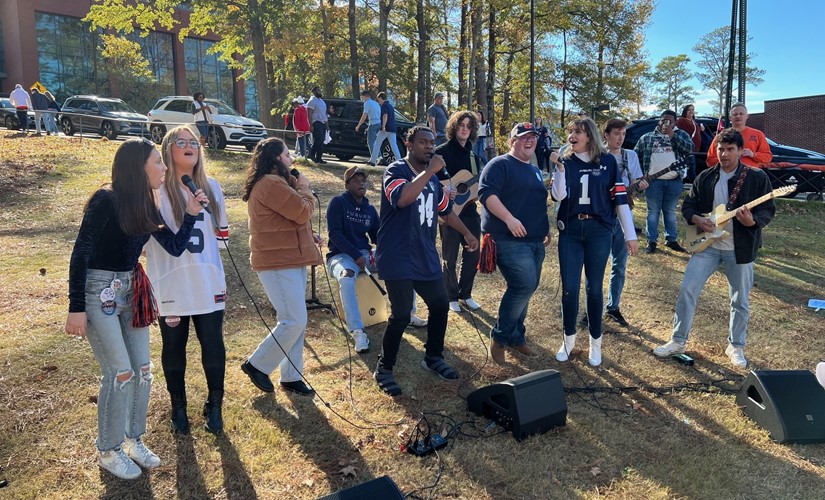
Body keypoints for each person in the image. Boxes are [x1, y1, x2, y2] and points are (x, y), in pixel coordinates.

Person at [65, 138, 207, 480]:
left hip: (131, 289)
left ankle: (133, 439)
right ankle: (108, 449)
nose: (164, 168)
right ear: (137, 167)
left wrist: (189, 216)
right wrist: (77, 307)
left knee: (142, 370)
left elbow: (173, 247)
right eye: (158, 162)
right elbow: (81, 252)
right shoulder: (106, 199)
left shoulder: (146, 202)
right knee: (120, 373)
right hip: (99, 291)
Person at [653, 128, 776, 368]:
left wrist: (751, 222)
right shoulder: (706, 177)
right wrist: (697, 220)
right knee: (687, 290)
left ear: (741, 151)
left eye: (730, 149)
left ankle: (736, 346)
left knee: (739, 299)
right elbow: (688, 206)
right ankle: (678, 340)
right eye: (721, 149)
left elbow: (767, 210)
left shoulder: (756, 178)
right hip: (707, 246)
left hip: (739, 249)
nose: (725, 154)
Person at [373, 126, 479, 396]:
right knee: (401, 314)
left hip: (424, 253)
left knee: (440, 304)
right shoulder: (396, 170)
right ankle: (384, 368)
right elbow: (403, 199)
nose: (429, 147)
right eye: (422, 142)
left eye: (432, 143)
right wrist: (430, 170)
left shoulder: (432, 181)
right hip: (398, 254)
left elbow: (446, 211)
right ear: (408, 143)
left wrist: (467, 233)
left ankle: (433, 357)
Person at [144, 125, 229, 435]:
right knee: (173, 346)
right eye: (181, 141)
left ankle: (215, 406)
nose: (189, 146)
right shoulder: (155, 190)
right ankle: (178, 409)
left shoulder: (213, 188)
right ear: (168, 149)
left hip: (207, 281)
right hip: (171, 284)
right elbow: (145, 245)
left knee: (212, 342)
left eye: (194, 141)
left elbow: (221, 239)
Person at [550, 117, 638, 367]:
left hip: (599, 230)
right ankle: (568, 340)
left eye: (578, 131)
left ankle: (595, 343)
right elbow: (558, 196)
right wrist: (558, 170)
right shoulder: (565, 161)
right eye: (570, 132)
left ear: (589, 135)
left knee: (594, 288)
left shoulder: (608, 161)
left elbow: (620, 201)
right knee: (569, 288)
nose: (572, 136)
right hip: (571, 230)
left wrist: (630, 235)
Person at [240, 138, 322, 396]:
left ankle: (291, 377)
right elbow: (302, 211)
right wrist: (305, 186)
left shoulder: (274, 184)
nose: (292, 160)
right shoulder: (271, 183)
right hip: (278, 263)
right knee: (293, 320)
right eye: (287, 155)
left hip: (288, 259)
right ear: (276, 158)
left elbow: (290, 221)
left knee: (296, 319)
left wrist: (310, 236)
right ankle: (257, 364)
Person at [479, 123, 553, 365]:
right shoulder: (499, 164)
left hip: (535, 240)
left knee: (528, 288)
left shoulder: (533, 170)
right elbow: (487, 195)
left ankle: (516, 337)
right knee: (523, 285)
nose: (529, 141)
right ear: (512, 141)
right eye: (523, 137)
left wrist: (545, 228)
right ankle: (499, 338)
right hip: (508, 238)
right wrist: (509, 219)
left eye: (532, 137)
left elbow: (536, 202)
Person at [326, 166, 380, 353]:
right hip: (340, 256)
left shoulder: (370, 209)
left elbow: (377, 236)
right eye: (356, 180)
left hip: (365, 254)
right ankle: (357, 331)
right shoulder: (338, 203)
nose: (362, 184)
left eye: (364, 181)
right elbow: (334, 234)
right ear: (347, 184)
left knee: (402, 263)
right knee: (347, 277)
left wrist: (389, 251)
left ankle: (409, 314)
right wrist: (355, 255)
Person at [435, 110, 483, 313]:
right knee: (450, 255)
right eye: (461, 125)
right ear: (454, 127)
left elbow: (474, 187)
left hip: (469, 209)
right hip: (447, 210)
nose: (464, 129)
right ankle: (451, 295)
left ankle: (466, 294)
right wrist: (444, 189)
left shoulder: (474, 156)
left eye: (468, 126)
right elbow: (428, 179)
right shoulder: (441, 152)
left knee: (474, 250)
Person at [602, 118, 648, 327]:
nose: (620, 138)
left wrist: (641, 185)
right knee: (597, 265)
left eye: (623, 134)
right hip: (602, 215)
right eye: (616, 134)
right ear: (606, 136)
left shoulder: (631, 156)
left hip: (624, 214)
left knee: (619, 264)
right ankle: (593, 307)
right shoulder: (598, 156)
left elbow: (637, 183)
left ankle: (613, 306)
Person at [634, 109, 693, 254]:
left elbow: (689, 149)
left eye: (670, 121)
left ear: (674, 123)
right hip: (652, 182)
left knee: (670, 211)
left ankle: (671, 240)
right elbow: (635, 157)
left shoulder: (681, 135)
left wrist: (672, 136)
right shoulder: (647, 137)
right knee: (653, 211)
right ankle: (651, 241)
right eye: (663, 120)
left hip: (674, 180)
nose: (666, 123)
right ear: (659, 121)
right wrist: (641, 175)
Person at [706, 103, 772, 168]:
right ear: (730, 117)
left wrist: (753, 154)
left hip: (750, 175)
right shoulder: (721, 136)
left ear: (747, 116)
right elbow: (710, 161)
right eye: (735, 114)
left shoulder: (758, 134)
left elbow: (768, 158)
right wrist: (728, 158)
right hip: (727, 176)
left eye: (741, 114)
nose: (738, 116)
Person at [367, 92, 403, 166]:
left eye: (378, 99)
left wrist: (383, 126)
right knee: (393, 145)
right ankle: (399, 161)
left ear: (380, 98)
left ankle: (373, 160)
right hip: (392, 128)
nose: (378, 100)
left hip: (386, 128)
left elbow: (385, 116)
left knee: (377, 143)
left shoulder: (384, 106)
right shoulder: (390, 106)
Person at [676, 104, 705, 182]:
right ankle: (694, 185)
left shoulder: (694, 122)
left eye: (692, 109)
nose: (691, 111)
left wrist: (701, 128)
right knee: (691, 171)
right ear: (685, 111)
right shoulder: (681, 120)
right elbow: (680, 133)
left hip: (696, 151)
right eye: (689, 110)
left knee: (694, 169)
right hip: (687, 151)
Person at [355, 90, 381, 160]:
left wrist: (358, 126)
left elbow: (364, 115)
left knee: (370, 141)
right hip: (379, 123)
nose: (362, 99)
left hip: (373, 123)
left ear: (364, 96)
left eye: (362, 97)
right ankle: (379, 156)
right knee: (375, 141)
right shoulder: (376, 103)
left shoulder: (367, 103)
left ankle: (374, 158)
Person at [306, 86, 329, 164]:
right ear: (314, 92)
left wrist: (327, 125)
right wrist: (310, 125)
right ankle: (312, 154)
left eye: (320, 90)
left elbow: (325, 114)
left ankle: (319, 158)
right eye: (318, 90)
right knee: (319, 138)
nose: (320, 92)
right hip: (316, 122)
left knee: (322, 140)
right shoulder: (312, 101)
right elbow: (309, 114)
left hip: (322, 122)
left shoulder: (322, 101)